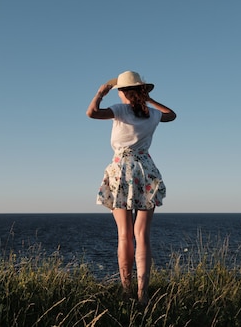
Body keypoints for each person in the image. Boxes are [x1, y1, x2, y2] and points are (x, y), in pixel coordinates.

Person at [86, 70, 176, 305]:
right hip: (145, 170)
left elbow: (92, 113)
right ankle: (142, 294)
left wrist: (99, 93)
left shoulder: (120, 110)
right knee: (142, 236)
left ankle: (127, 291)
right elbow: (172, 115)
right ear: (141, 91)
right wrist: (148, 100)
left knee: (124, 236)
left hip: (120, 171)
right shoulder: (152, 114)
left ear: (124, 92)